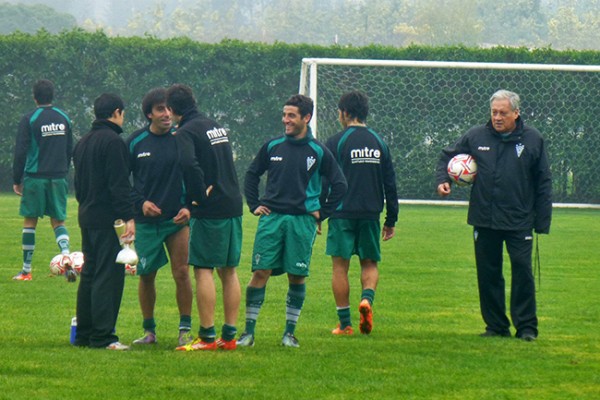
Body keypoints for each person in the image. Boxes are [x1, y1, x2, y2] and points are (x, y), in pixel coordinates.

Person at [435, 89, 552, 342]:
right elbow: (448, 156)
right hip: (484, 218)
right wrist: (444, 179)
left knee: (522, 271)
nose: (497, 117)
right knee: (488, 273)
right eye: (494, 112)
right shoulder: (476, 136)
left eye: (503, 113)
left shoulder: (533, 139)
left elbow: (543, 181)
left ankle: (527, 328)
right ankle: (496, 326)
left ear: (516, 113)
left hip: (519, 220)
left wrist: (542, 221)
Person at [237, 94, 347, 348]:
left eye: (291, 116)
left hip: (302, 222)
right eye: (284, 115)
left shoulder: (318, 151)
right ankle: (248, 333)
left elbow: (340, 184)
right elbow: (252, 174)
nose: (285, 120)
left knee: (297, 276)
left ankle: (289, 333)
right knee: (260, 272)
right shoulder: (272, 146)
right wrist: (254, 205)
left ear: (306, 118)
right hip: (272, 219)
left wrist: (322, 212)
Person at [166, 84, 244, 352]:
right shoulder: (214, 125)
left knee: (203, 269)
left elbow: (188, 163)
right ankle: (230, 336)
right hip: (234, 202)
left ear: (173, 110)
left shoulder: (185, 132)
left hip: (211, 208)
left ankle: (208, 337)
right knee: (229, 270)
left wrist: (197, 195)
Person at [322, 90, 398, 336]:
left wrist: (320, 213)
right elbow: (390, 183)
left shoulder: (335, 142)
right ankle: (367, 300)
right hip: (370, 214)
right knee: (369, 262)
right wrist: (391, 219)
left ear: (344, 113)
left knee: (340, 268)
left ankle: (345, 324)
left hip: (342, 213)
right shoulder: (379, 142)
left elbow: (325, 179)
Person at [127, 88, 194, 347]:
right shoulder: (135, 142)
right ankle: (149, 331)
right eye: (160, 110)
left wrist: (189, 207)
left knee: (181, 273)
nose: (167, 114)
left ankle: (184, 330)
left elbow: (195, 177)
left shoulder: (182, 138)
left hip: (177, 221)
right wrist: (140, 204)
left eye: (168, 109)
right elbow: (123, 182)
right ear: (148, 114)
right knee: (146, 275)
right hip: (145, 223)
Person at [73, 93, 135, 350]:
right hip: (109, 218)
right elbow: (119, 185)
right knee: (108, 276)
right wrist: (129, 217)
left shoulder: (83, 142)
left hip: (87, 214)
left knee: (89, 274)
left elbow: (77, 185)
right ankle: (104, 336)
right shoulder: (114, 143)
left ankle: (85, 334)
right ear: (117, 112)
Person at [12, 79, 75, 282]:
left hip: (35, 178)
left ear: (34, 97)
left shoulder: (30, 119)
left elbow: (21, 151)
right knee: (58, 221)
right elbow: (69, 149)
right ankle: (66, 255)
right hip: (58, 177)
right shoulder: (64, 118)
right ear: (52, 95)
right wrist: (63, 170)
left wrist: (16, 179)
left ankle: (26, 270)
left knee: (30, 222)